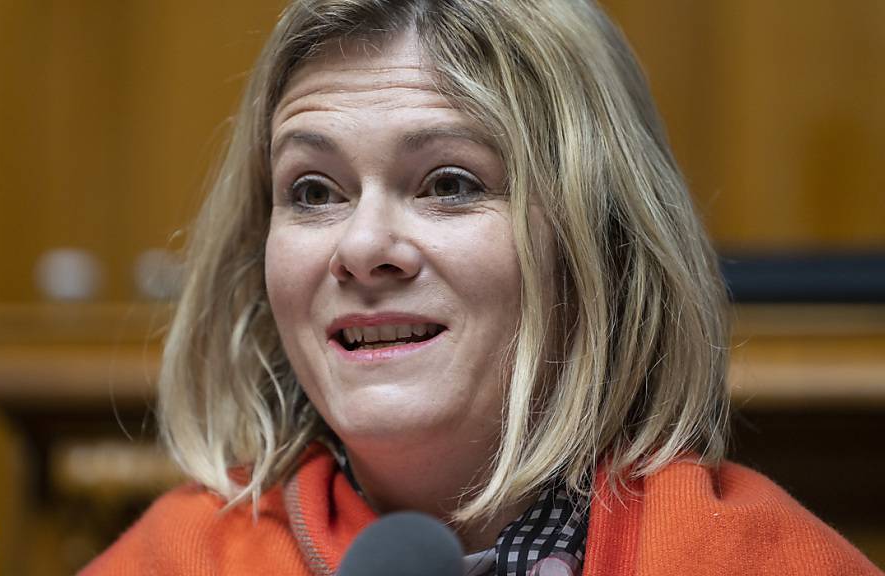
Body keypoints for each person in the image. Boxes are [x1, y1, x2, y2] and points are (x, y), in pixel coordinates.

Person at [81, 1, 881, 574]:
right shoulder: (180, 557)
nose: (362, 248)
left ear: (603, 244)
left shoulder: (753, 559)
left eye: (451, 183)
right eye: (314, 192)